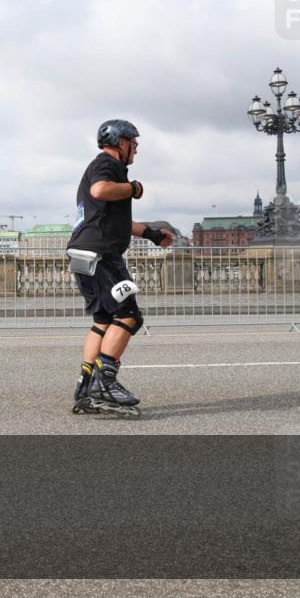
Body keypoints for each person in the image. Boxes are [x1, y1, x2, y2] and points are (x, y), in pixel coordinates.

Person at [66, 120, 174, 416]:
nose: (136, 149)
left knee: (103, 319)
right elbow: (101, 189)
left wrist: (152, 234)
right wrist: (134, 188)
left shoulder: (101, 168)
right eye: (133, 144)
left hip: (84, 252)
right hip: (101, 254)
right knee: (128, 316)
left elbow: (117, 221)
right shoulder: (107, 165)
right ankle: (105, 384)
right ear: (120, 142)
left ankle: (86, 386)